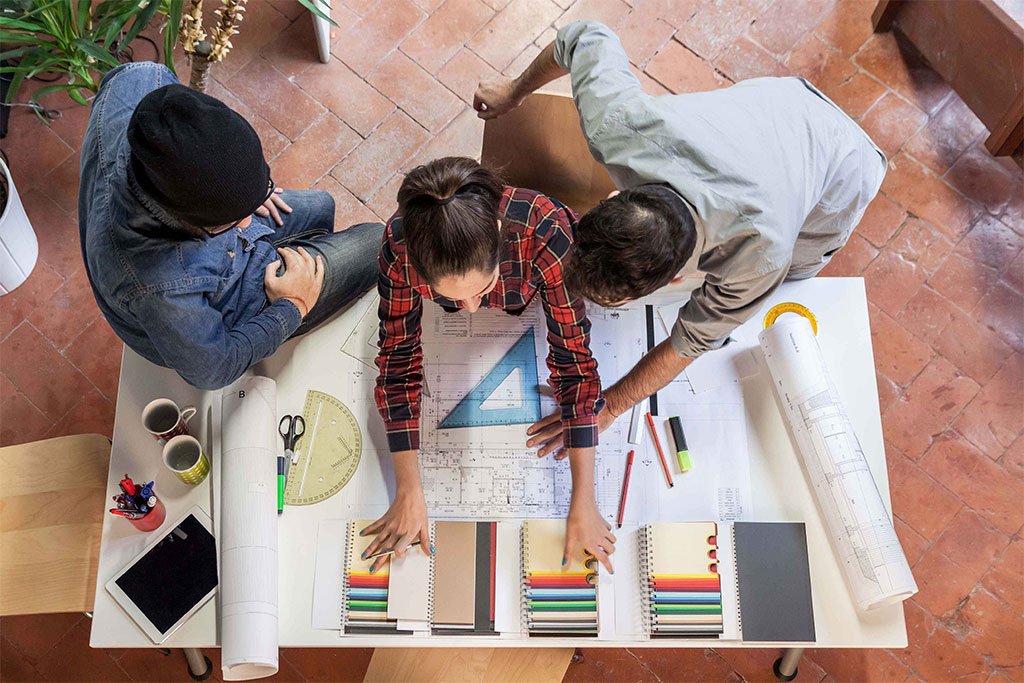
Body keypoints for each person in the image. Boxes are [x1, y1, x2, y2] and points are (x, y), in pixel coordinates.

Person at [473, 21, 887, 456]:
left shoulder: (761, 255)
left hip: (842, 165)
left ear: (674, 280)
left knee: (795, 277)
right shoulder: (617, 127)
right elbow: (583, 36)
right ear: (609, 202)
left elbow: (688, 342)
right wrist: (514, 91)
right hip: (778, 107)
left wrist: (609, 406)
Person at [361, 156, 615, 571]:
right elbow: (397, 361)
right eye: (450, 298)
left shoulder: (547, 232)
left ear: (499, 235)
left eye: (482, 288)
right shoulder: (398, 249)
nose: (471, 309)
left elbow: (573, 362)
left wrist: (585, 499)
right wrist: (408, 489)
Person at [79, 62, 381, 390]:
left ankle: (307, 269)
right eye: (233, 220)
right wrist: (292, 307)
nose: (249, 221)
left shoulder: (140, 79)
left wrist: (242, 196)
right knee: (375, 241)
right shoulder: (162, 287)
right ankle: (304, 302)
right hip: (215, 305)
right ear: (186, 216)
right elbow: (213, 371)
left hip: (211, 244)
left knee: (321, 205)